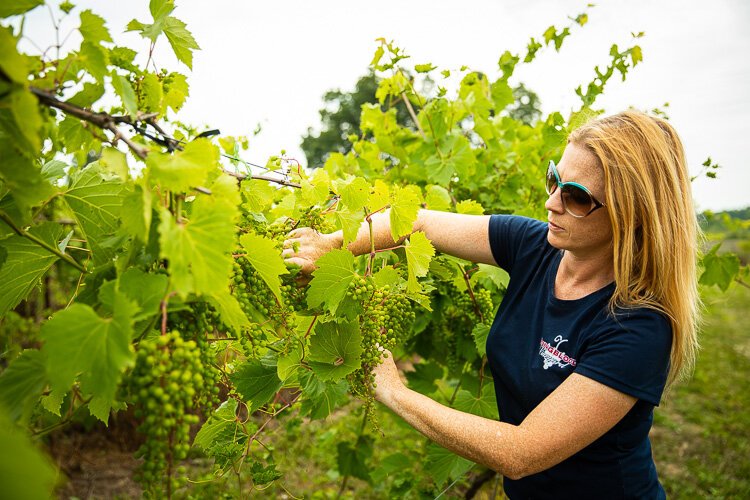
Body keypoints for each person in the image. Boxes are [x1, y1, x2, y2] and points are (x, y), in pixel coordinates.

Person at [282, 110, 700, 499]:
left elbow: (521, 453)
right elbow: (417, 221)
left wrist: (394, 392)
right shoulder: (534, 246)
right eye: (554, 179)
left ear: (633, 214)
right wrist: (331, 245)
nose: (551, 202)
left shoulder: (639, 326)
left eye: (575, 197)